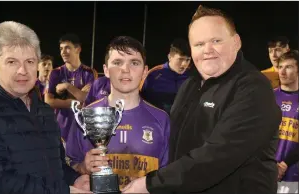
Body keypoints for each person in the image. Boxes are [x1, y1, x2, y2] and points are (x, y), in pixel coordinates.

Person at [122, 5, 281, 193]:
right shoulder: (190, 86)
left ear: (236, 42)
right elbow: (170, 142)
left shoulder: (253, 88)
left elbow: (219, 156)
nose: (207, 50)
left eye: (216, 40)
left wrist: (150, 184)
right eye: (199, 44)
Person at [0, 21, 87, 193]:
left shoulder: (45, 111)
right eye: (12, 62)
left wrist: (75, 179)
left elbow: (55, 166)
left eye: (30, 61)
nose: (23, 70)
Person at [66, 36, 170, 190]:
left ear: (145, 71)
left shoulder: (162, 119)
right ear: (106, 70)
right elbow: (67, 166)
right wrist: (82, 167)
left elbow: (169, 176)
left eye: (134, 63)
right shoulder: (86, 116)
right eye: (117, 63)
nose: (125, 69)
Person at [45, 33, 97, 144]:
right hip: (60, 128)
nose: (63, 52)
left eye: (67, 48)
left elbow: (87, 99)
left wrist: (67, 86)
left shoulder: (89, 73)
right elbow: (49, 101)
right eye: (61, 49)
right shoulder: (55, 73)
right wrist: (76, 100)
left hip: (83, 128)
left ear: (78, 49)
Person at [140, 38, 191, 114]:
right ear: (170, 57)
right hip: (157, 122)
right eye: (180, 59)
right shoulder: (154, 74)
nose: (184, 64)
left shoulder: (192, 77)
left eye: (187, 60)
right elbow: (141, 100)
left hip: (182, 123)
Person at [273, 51, 299, 193]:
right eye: (280, 66)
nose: (282, 71)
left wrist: (284, 164)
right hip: (266, 171)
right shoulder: (269, 97)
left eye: (288, 67)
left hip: (294, 175)